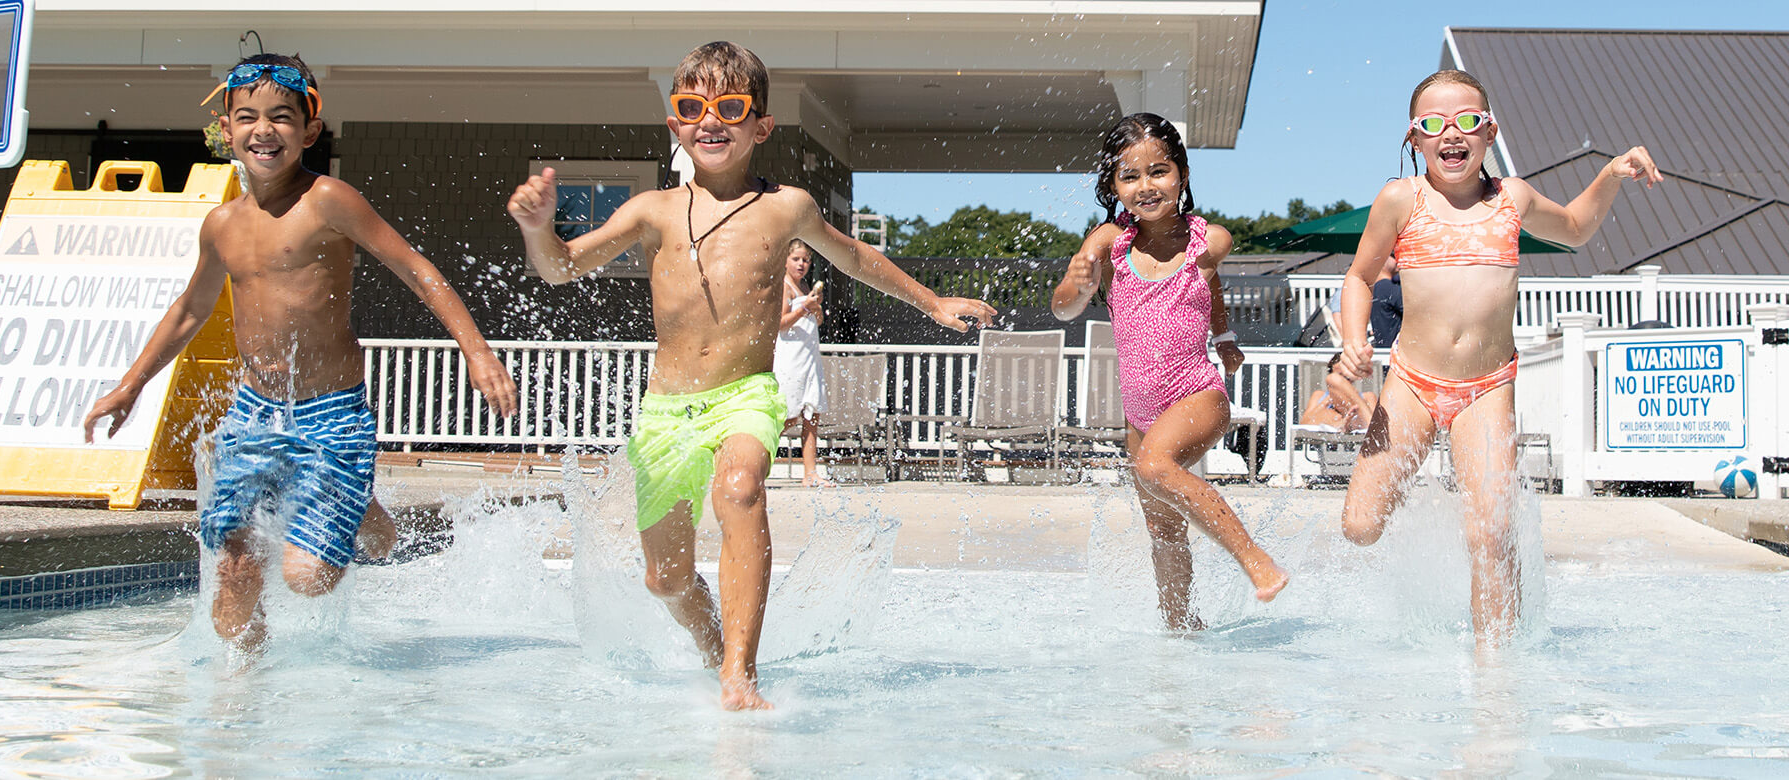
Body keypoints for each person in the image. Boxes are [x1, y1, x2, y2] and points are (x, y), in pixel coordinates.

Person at [506, 41, 995, 710]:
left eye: (730, 106)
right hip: (665, 410)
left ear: (761, 126)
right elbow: (560, 267)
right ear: (675, 124)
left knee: (739, 488)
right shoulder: (651, 212)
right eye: (691, 106)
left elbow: (854, 258)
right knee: (666, 578)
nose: (711, 119)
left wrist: (933, 302)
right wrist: (539, 230)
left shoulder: (784, 208)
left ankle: (740, 672)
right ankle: (717, 656)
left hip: (745, 394)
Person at [81, 54, 519, 652]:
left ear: (309, 131)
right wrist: (129, 386)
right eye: (248, 118)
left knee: (307, 578)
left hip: (330, 412)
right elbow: (189, 310)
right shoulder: (221, 224)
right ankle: (242, 689)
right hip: (254, 412)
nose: (264, 130)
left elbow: (415, 271)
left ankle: (361, 511)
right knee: (234, 567)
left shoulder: (328, 200)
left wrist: (478, 353)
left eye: (282, 118)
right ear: (227, 131)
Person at [1335, 69, 1659, 652]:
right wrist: (1354, 339)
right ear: (1414, 139)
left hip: (1486, 386)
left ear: (1490, 132)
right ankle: (1432, 512)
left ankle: (1497, 666)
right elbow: (1359, 277)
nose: (1451, 133)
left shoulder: (1513, 198)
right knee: (1360, 528)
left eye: (1468, 121)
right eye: (1434, 124)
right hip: (1410, 382)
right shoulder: (1400, 199)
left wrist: (1610, 173)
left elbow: (1579, 229)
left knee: (1491, 531)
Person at [1051, 112, 1290, 631]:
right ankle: (1181, 627)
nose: (1145, 186)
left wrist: (1223, 340)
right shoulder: (1108, 242)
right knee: (1161, 526)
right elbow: (1065, 310)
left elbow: (1211, 290)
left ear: (1181, 173)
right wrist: (1076, 281)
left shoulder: (1210, 240)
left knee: (1154, 469)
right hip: (1139, 410)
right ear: (1113, 185)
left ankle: (1255, 558)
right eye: (1129, 176)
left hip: (1196, 393)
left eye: (1158, 171)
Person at [774, 239, 827, 486]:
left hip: (810, 357)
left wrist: (815, 308)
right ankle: (753, 460)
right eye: (796, 259)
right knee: (787, 417)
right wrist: (804, 308)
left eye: (805, 260)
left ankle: (810, 473)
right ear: (785, 261)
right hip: (791, 359)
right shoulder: (784, 287)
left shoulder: (806, 286)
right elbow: (781, 323)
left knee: (812, 415)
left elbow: (817, 322)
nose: (801, 264)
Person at [1297, 353, 1377, 433]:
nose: (1343, 380)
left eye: (1346, 377)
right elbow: (1304, 423)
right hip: (1336, 424)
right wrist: (1328, 400)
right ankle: (1342, 423)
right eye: (1339, 376)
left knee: (1332, 379)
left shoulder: (1367, 396)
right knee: (1331, 414)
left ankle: (1350, 422)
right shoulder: (1319, 395)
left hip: (1361, 423)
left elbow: (1377, 423)